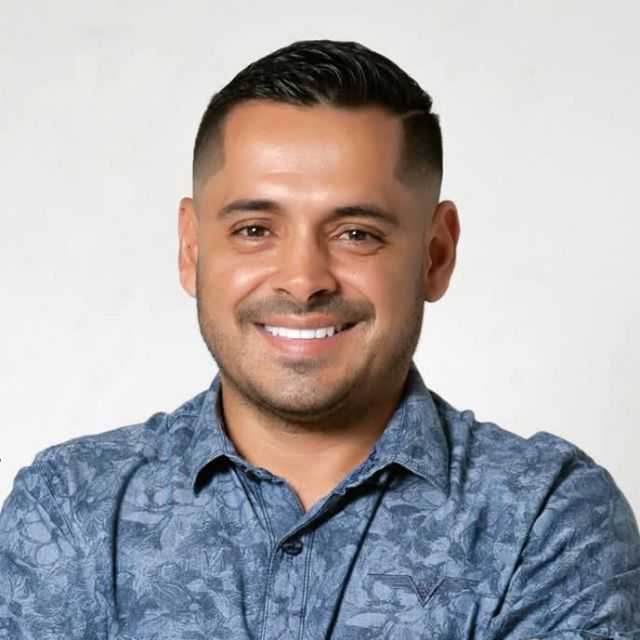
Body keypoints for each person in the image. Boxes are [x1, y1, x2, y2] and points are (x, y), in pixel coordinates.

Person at [1, 39, 638, 640]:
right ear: (192, 250)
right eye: (254, 230)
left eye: (356, 233)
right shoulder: (71, 508)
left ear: (436, 255)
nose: (304, 281)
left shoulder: (546, 518)